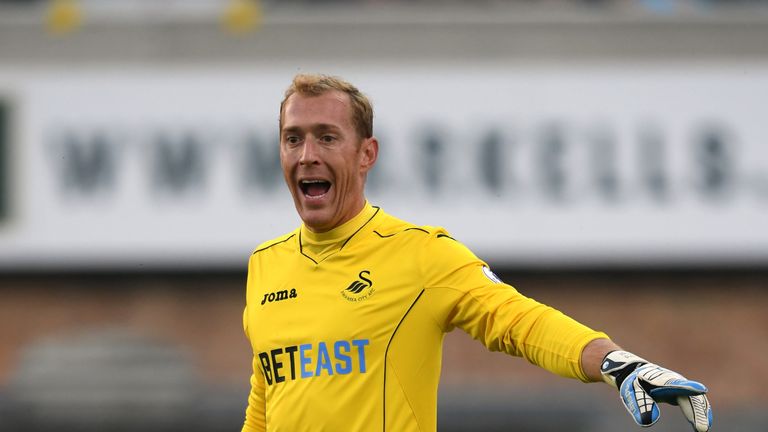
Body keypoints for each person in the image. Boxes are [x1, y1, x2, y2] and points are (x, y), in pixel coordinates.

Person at [241, 73, 712, 432]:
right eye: (293, 138)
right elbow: (264, 407)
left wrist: (612, 362)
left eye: (326, 136)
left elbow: (519, 321)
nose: (306, 155)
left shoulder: (420, 254)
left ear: (367, 154)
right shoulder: (266, 264)